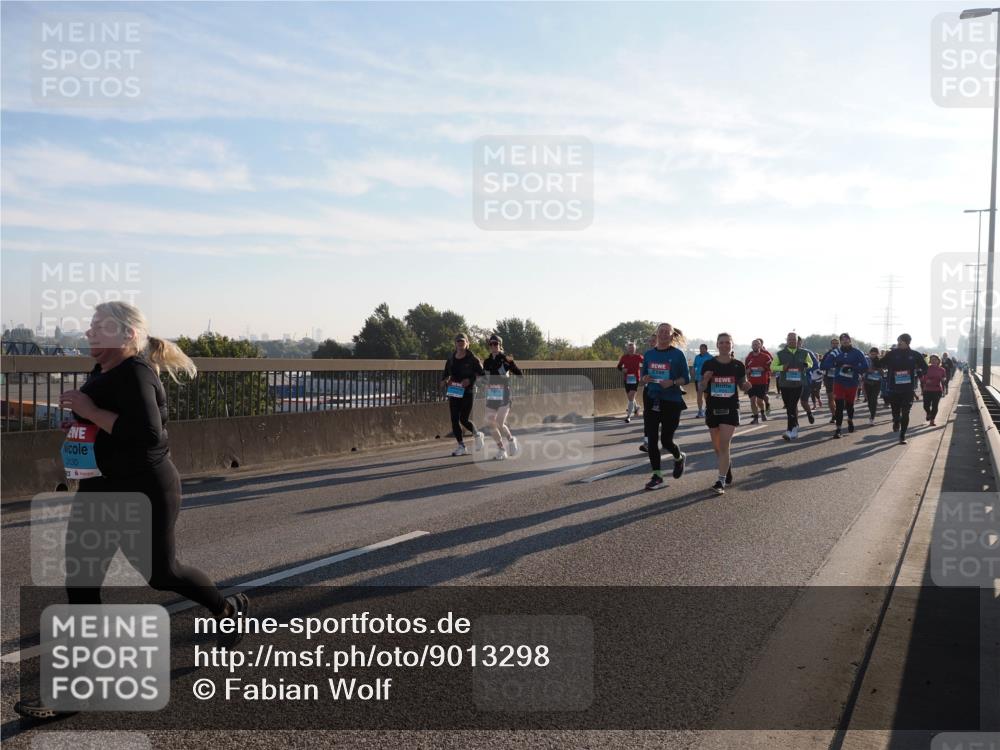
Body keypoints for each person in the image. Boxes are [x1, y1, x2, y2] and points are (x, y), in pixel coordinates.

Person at [14, 302, 248, 720]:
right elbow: (111, 424)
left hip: (144, 490)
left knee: (162, 574)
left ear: (128, 336)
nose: (90, 333)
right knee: (81, 583)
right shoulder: (100, 372)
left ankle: (227, 609)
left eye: (101, 327)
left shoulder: (136, 373)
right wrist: (81, 426)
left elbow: (147, 434)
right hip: (100, 489)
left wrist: (89, 412)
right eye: (90, 326)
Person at [640, 323, 690, 490]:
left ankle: (678, 457)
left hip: (671, 401)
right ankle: (657, 476)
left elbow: (686, 378)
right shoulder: (648, 354)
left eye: (666, 332)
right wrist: (645, 378)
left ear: (671, 336)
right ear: (656, 334)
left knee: (666, 440)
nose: (662, 335)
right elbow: (643, 376)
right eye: (660, 332)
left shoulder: (678, 354)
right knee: (652, 440)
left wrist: (673, 382)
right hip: (652, 399)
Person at [701, 333, 752, 494]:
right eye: (721, 342)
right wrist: (705, 380)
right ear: (717, 345)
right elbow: (701, 388)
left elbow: (742, 385)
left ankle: (720, 481)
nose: (724, 345)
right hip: (713, 407)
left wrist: (746, 386)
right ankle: (727, 466)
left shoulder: (738, 365)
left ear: (732, 345)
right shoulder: (708, 364)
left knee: (724, 444)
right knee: (717, 447)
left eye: (727, 342)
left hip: (731, 407)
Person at [441, 333, 485, 456]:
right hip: (455, 390)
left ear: (467, 343)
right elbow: (445, 374)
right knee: (454, 419)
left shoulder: (473, 358)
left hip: (468, 391)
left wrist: (469, 380)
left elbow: (481, 375)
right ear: (455, 344)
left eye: (462, 341)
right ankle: (461, 446)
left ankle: (477, 434)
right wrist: (445, 381)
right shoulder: (451, 358)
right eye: (458, 341)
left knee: (463, 419)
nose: (460, 344)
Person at [880, 333, 928, 445]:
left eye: (900, 341)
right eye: (898, 341)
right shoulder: (892, 354)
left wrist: (919, 371)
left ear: (907, 342)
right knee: (896, 412)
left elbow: (925, 367)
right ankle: (896, 421)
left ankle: (902, 435)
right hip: (894, 388)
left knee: (906, 413)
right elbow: (880, 364)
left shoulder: (915, 354)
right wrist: (876, 358)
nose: (898, 343)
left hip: (908, 389)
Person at [820, 333, 869, 438]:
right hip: (839, 382)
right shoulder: (836, 352)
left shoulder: (857, 352)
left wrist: (852, 368)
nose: (845, 343)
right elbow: (823, 365)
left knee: (850, 405)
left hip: (852, 383)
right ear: (840, 342)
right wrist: (836, 364)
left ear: (850, 341)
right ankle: (838, 429)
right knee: (839, 406)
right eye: (843, 341)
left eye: (847, 341)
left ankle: (850, 420)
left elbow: (865, 366)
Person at [482, 334, 523, 459]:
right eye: (491, 344)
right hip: (492, 393)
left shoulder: (506, 359)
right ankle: (501, 450)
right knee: (490, 423)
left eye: (496, 344)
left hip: (504, 393)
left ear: (500, 345)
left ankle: (511, 440)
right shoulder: (487, 361)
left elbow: (520, 374)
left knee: (500, 422)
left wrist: (509, 367)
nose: (493, 346)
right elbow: (485, 378)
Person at [770, 331, 817, 441]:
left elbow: (810, 363)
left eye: (794, 340)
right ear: (787, 341)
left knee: (792, 406)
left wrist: (806, 365)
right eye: (790, 340)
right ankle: (794, 428)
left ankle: (790, 430)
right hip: (785, 384)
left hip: (798, 384)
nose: (792, 341)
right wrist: (782, 368)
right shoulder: (780, 354)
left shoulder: (804, 353)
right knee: (789, 408)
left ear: (797, 341)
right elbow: (772, 367)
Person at [744, 338, 772, 424]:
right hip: (751, 382)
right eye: (753, 345)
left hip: (762, 382)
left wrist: (763, 368)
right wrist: (747, 371)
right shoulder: (749, 357)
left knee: (760, 401)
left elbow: (771, 368)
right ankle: (756, 418)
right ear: (752, 346)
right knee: (752, 400)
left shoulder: (765, 356)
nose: (755, 346)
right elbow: (746, 368)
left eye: (757, 344)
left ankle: (763, 413)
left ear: (760, 345)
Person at [616, 342, 643, 423]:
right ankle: (636, 408)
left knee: (631, 397)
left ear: (635, 349)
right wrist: (622, 369)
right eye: (630, 348)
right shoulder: (624, 357)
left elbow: (646, 362)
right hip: (627, 379)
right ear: (627, 349)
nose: (631, 350)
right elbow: (618, 366)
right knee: (630, 397)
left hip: (635, 379)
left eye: (633, 349)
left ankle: (628, 416)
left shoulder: (638, 357)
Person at [797, 336, 821, 426]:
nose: (794, 343)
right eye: (791, 341)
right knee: (793, 403)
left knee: (803, 402)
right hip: (791, 381)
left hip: (805, 381)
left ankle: (809, 413)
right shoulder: (787, 354)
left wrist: (806, 368)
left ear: (801, 343)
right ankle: (794, 423)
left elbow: (815, 365)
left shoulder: (807, 353)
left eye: (797, 342)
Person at [921, 355, 947, 426]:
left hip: (937, 390)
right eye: (932, 359)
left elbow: (944, 378)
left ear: (938, 361)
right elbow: (922, 378)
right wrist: (926, 380)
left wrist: (943, 379)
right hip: (927, 390)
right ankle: (928, 413)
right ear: (930, 361)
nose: (933, 361)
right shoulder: (927, 368)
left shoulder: (942, 369)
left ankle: (932, 420)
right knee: (926, 405)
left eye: (935, 359)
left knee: (935, 406)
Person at [820, 338, 840, 422]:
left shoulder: (842, 353)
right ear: (831, 344)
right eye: (833, 343)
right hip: (829, 378)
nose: (835, 345)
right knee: (830, 398)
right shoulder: (827, 354)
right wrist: (831, 366)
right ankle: (833, 415)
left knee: (838, 399)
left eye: (836, 343)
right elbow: (822, 366)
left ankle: (838, 413)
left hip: (840, 378)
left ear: (839, 344)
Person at [863, 347, 883, 424]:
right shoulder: (866, 360)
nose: (873, 356)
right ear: (869, 353)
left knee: (874, 399)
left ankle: (872, 416)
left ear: (877, 354)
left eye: (875, 354)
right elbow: (862, 369)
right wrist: (868, 370)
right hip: (867, 382)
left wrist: (878, 369)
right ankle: (872, 412)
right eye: (872, 354)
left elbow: (882, 374)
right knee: (869, 400)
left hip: (877, 382)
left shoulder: (880, 361)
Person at [692, 344, 713, 419]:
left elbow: (713, 369)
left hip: (707, 380)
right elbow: (694, 366)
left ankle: (707, 409)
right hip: (698, 379)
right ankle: (700, 411)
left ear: (706, 349)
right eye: (700, 349)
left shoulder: (710, 357)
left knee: (706, 396)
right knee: (699, 396)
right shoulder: (697, 357)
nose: (701, 350)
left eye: (703, 349)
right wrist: (693, 373)